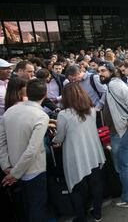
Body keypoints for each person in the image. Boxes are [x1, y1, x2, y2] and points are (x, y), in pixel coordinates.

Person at [53, 83, 106, 222]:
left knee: (77, 187)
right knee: (96, 184)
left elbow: (59, 137)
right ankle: (98, 213)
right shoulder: (91, 109)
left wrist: (54, 136)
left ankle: (81, 217)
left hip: (75, 154)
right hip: (93, 151)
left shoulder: (63, 114)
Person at [0, 79, 49, 222]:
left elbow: (1, 141)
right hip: (33, 170)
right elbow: (32, 150)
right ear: (45, 94)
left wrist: (6, 166)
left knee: (24, 207)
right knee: (37, 207)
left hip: (13, 167)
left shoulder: (10, 111)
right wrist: (14, 173)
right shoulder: (41, 116)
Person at [98, 61, 128, 208]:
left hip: (123, 130)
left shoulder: (114, 85)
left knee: (124, 165)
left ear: (111, 71)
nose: (100, 73)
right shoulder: (112, 85)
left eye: (103, 71)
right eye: (99, 71)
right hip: (123, 129)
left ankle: (127, 198)